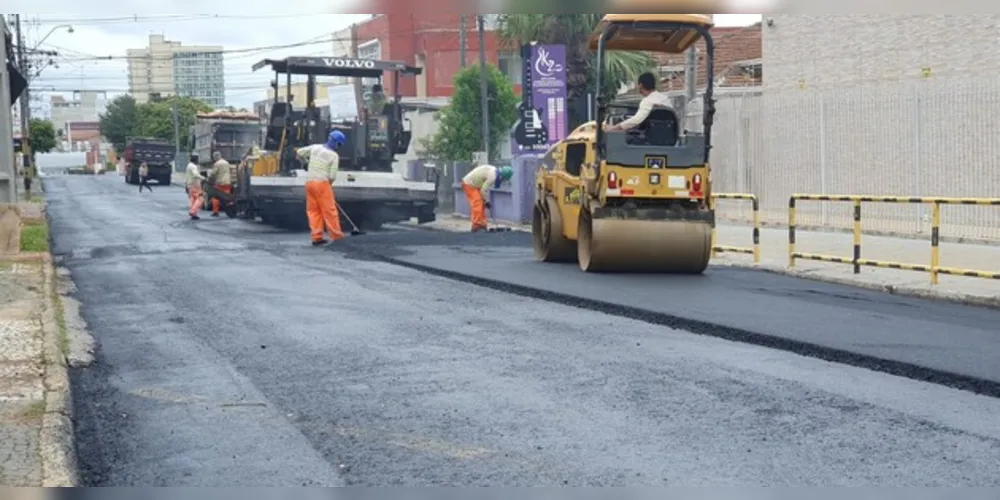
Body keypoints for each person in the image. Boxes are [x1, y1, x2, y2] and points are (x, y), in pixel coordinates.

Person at [296, 130, 346, 246]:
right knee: (329, 210)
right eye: (339, 145)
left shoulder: (315, 148)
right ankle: (337, 236)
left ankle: (316, 237)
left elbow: (299, 152)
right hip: (322, 183)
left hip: (310, 183)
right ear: (336, 143)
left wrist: (305, 163)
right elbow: (332, 176)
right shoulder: (334, 156)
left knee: (313, 211)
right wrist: (329, 184)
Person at [604, 72, 670, 132]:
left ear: (640, 85)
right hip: (668, 137)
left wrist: (613, 128)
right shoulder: (665, 99)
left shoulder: (647, 101)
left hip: (650, 139)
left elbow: (636, 121)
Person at [461, 164, 513, 232]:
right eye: (503, 179)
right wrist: (487, 201)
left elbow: (484, 189)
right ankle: (476, 226)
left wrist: (485, 201)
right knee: (477, 202)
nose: (503, 181)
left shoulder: (495, 172)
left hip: (477, 185)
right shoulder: (493, 176)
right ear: (503, 176)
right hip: (469, 183)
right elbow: (483, 190)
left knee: (482, 204)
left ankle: (482, 224)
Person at [207, 151, 233, 217]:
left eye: (214, 157)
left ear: (215, 157)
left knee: (216, 198)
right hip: (227, 182)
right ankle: (231, 210)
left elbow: (213, 174)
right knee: (227, 197)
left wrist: (209, 180)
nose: (214, 159)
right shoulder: (226, 163)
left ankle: (215, 212)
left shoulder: (217, 164)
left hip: (219, 183)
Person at [185, 154, 206, 220]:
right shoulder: (193, 166)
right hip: (195, 184)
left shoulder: (188, 165)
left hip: (189, 184)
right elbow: (195, 174)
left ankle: (194, 214)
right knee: (200, 198)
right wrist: (203, 178)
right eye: (198, 160)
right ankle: (193, 211)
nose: (198, 161)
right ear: (195, 160)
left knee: (192, 199)